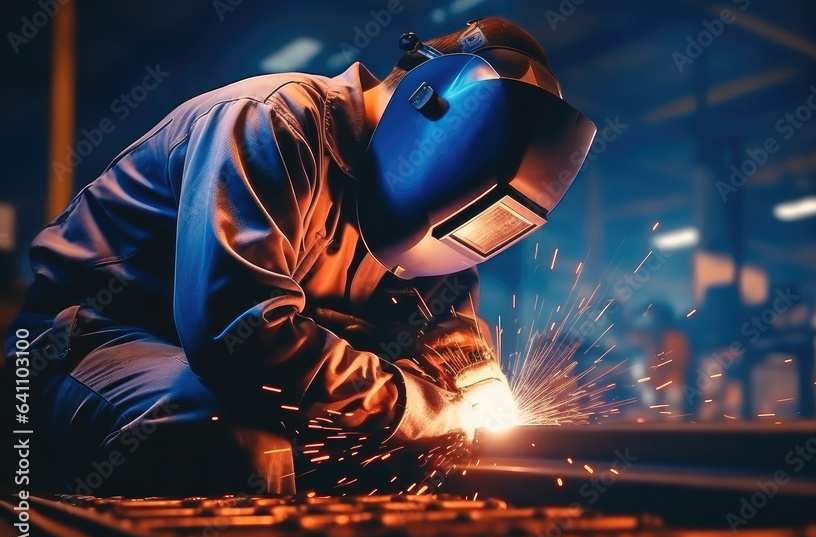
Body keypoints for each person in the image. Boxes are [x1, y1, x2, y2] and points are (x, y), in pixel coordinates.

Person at [5, 17, 595, 495]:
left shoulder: (433, 207)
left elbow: (450, 339)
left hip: (231, 369)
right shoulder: (271, 123)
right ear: (425, 103)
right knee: (228, 438)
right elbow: (240, 330)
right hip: (87, 343)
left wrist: (482, 393)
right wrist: (422, 410)